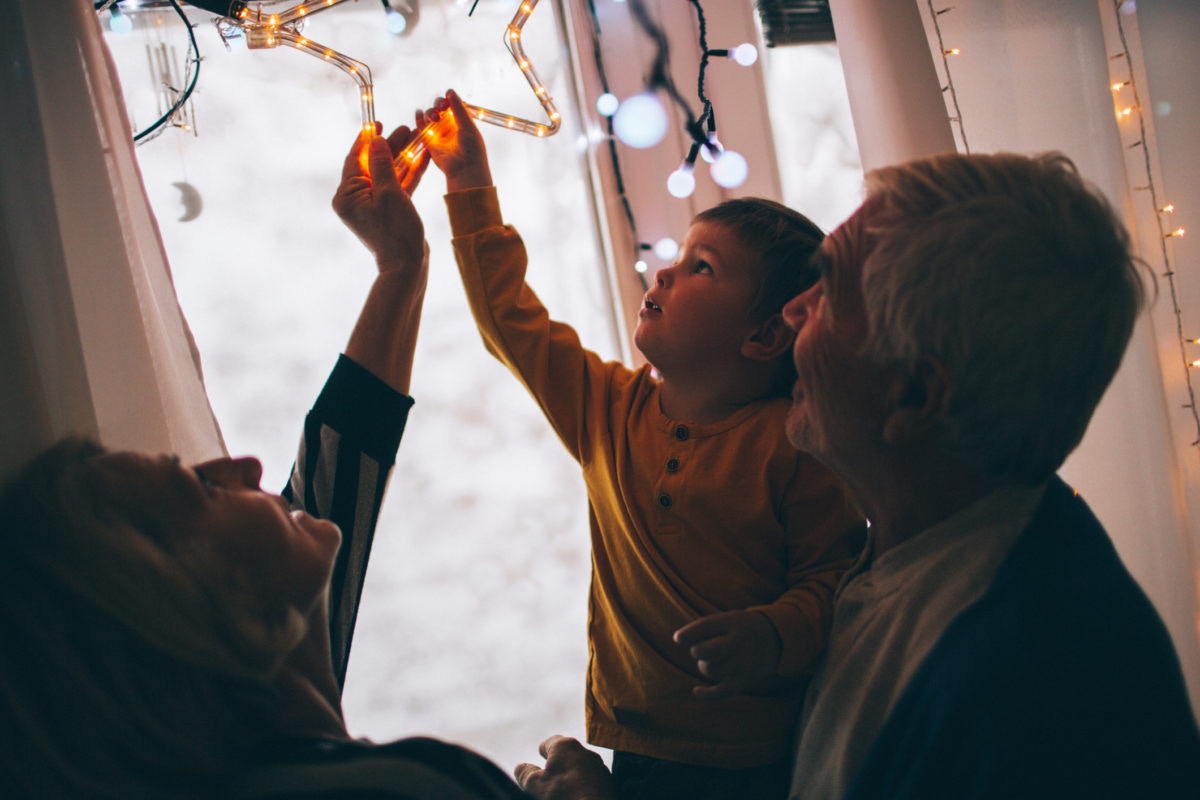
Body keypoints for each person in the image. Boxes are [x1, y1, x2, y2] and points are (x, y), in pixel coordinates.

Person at [513, 151, 1200, 799]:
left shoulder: (1021, 686)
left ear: (913, 396)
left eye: (829, 290)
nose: (790, 311)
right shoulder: (916, 552)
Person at [0, 123, 526, 799]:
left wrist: (402, 266)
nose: (244, 466)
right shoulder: (384, 790)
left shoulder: (273, 718)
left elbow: (339, 471)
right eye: (200, 490)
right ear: (184, 613)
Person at [415, 90, 865, 800]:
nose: (664, 271)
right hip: (637, 742)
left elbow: (838, 580)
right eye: (678, 256)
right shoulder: (606, 409)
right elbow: (510, 320)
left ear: (764, 337)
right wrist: (470, 185)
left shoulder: (795, 445)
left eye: (701, 267)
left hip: (760, 758)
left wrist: (772, 635)